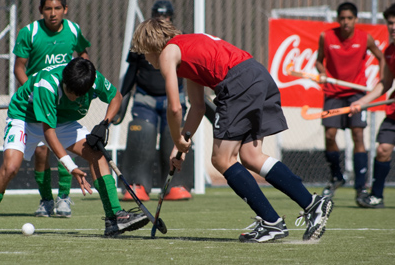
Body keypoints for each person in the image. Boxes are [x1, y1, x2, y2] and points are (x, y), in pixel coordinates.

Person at [130, 18, 334, 243]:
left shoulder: (168, 53)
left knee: (222, 159)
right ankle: (312, 203)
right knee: (252, 156)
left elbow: (175, 107)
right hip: (258, 76)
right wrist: (182, 145)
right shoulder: (187, 50)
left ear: (151, 45)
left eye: (144, 53)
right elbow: (197, 108)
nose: (147, 60)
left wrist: (177, 139)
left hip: (238, 83)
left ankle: (271, 222)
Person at [0, 58, 149, 236]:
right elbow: (49, 133)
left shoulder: (92, 79)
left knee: (97, 153)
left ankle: (114, 218)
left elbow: (116, 97)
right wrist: (72, 167)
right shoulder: (47, 85)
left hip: (62, 120)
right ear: (64, 80)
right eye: (69, 92)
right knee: (11, 167)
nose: (73, 97)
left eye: (78, 95)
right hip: (24, 118)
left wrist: (104, 124)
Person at [13, 0, 91, 218]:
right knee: (40, 150)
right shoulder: (29, 32)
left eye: (58, 8)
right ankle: (46, 200)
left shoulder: (74, 30)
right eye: (48, 9)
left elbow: (84, 56)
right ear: (41, 10)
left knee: (66, 146)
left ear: (65, 9)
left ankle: (64, 197)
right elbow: (19, 67)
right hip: (40, 98)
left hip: (65, 99)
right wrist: (32, 92)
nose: (53, 13)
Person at [115, 0, 193, 202]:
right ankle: (137, 184)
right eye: (158, 16)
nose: (162, 19)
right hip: (145, 97)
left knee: (174, 135)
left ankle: (177, 185)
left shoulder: (179, 41)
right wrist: (121, 99)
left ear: (171, 18)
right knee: (142, 132)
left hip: (173, 98)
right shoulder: (142, 37)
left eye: (165, 16)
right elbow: (132, 71)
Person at [315, 2, 384, 203]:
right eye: (342, 18)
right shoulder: (326, 37)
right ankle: (337, 176)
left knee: (358, 134)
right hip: (333, 93)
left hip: (357, 93)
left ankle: (361, 187)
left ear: (356, 19)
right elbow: (319, 60)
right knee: (329, 135)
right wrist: (322, 73)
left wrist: (382, 80)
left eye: (349, 18)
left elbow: (382, 58)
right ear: (338, 19)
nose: (345, 22)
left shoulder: (365, 38)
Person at [350, 1, 395, 208]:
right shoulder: (389, 51)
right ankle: (376, 195)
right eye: (390, 23)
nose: (394, 27)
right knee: (383, 149)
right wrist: (361, 102)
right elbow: (385, 83)